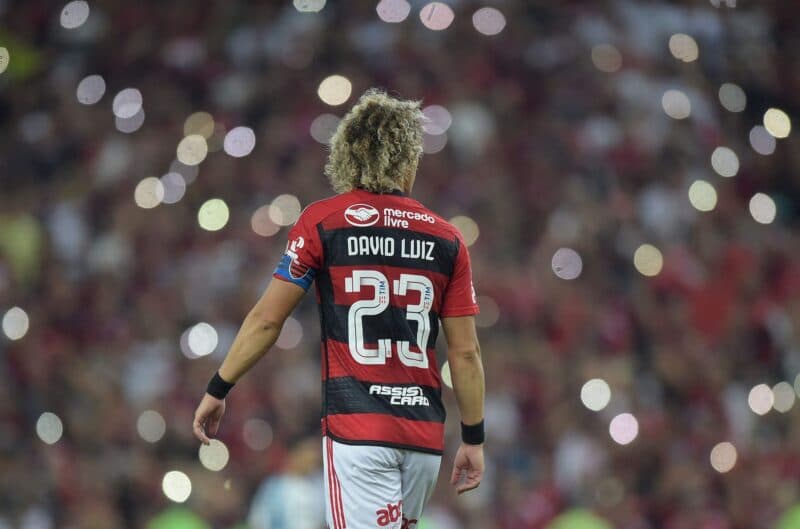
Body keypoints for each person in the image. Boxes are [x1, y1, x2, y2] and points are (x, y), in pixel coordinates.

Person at [192, 89, 486, 529]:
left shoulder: (323, 221)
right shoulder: (447, 238)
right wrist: (473, 438)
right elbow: (465, 354)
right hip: (424, 435)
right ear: (408, 160)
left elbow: (269, 318)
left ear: (347, 156)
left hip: (358, 430)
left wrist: (219, 387)